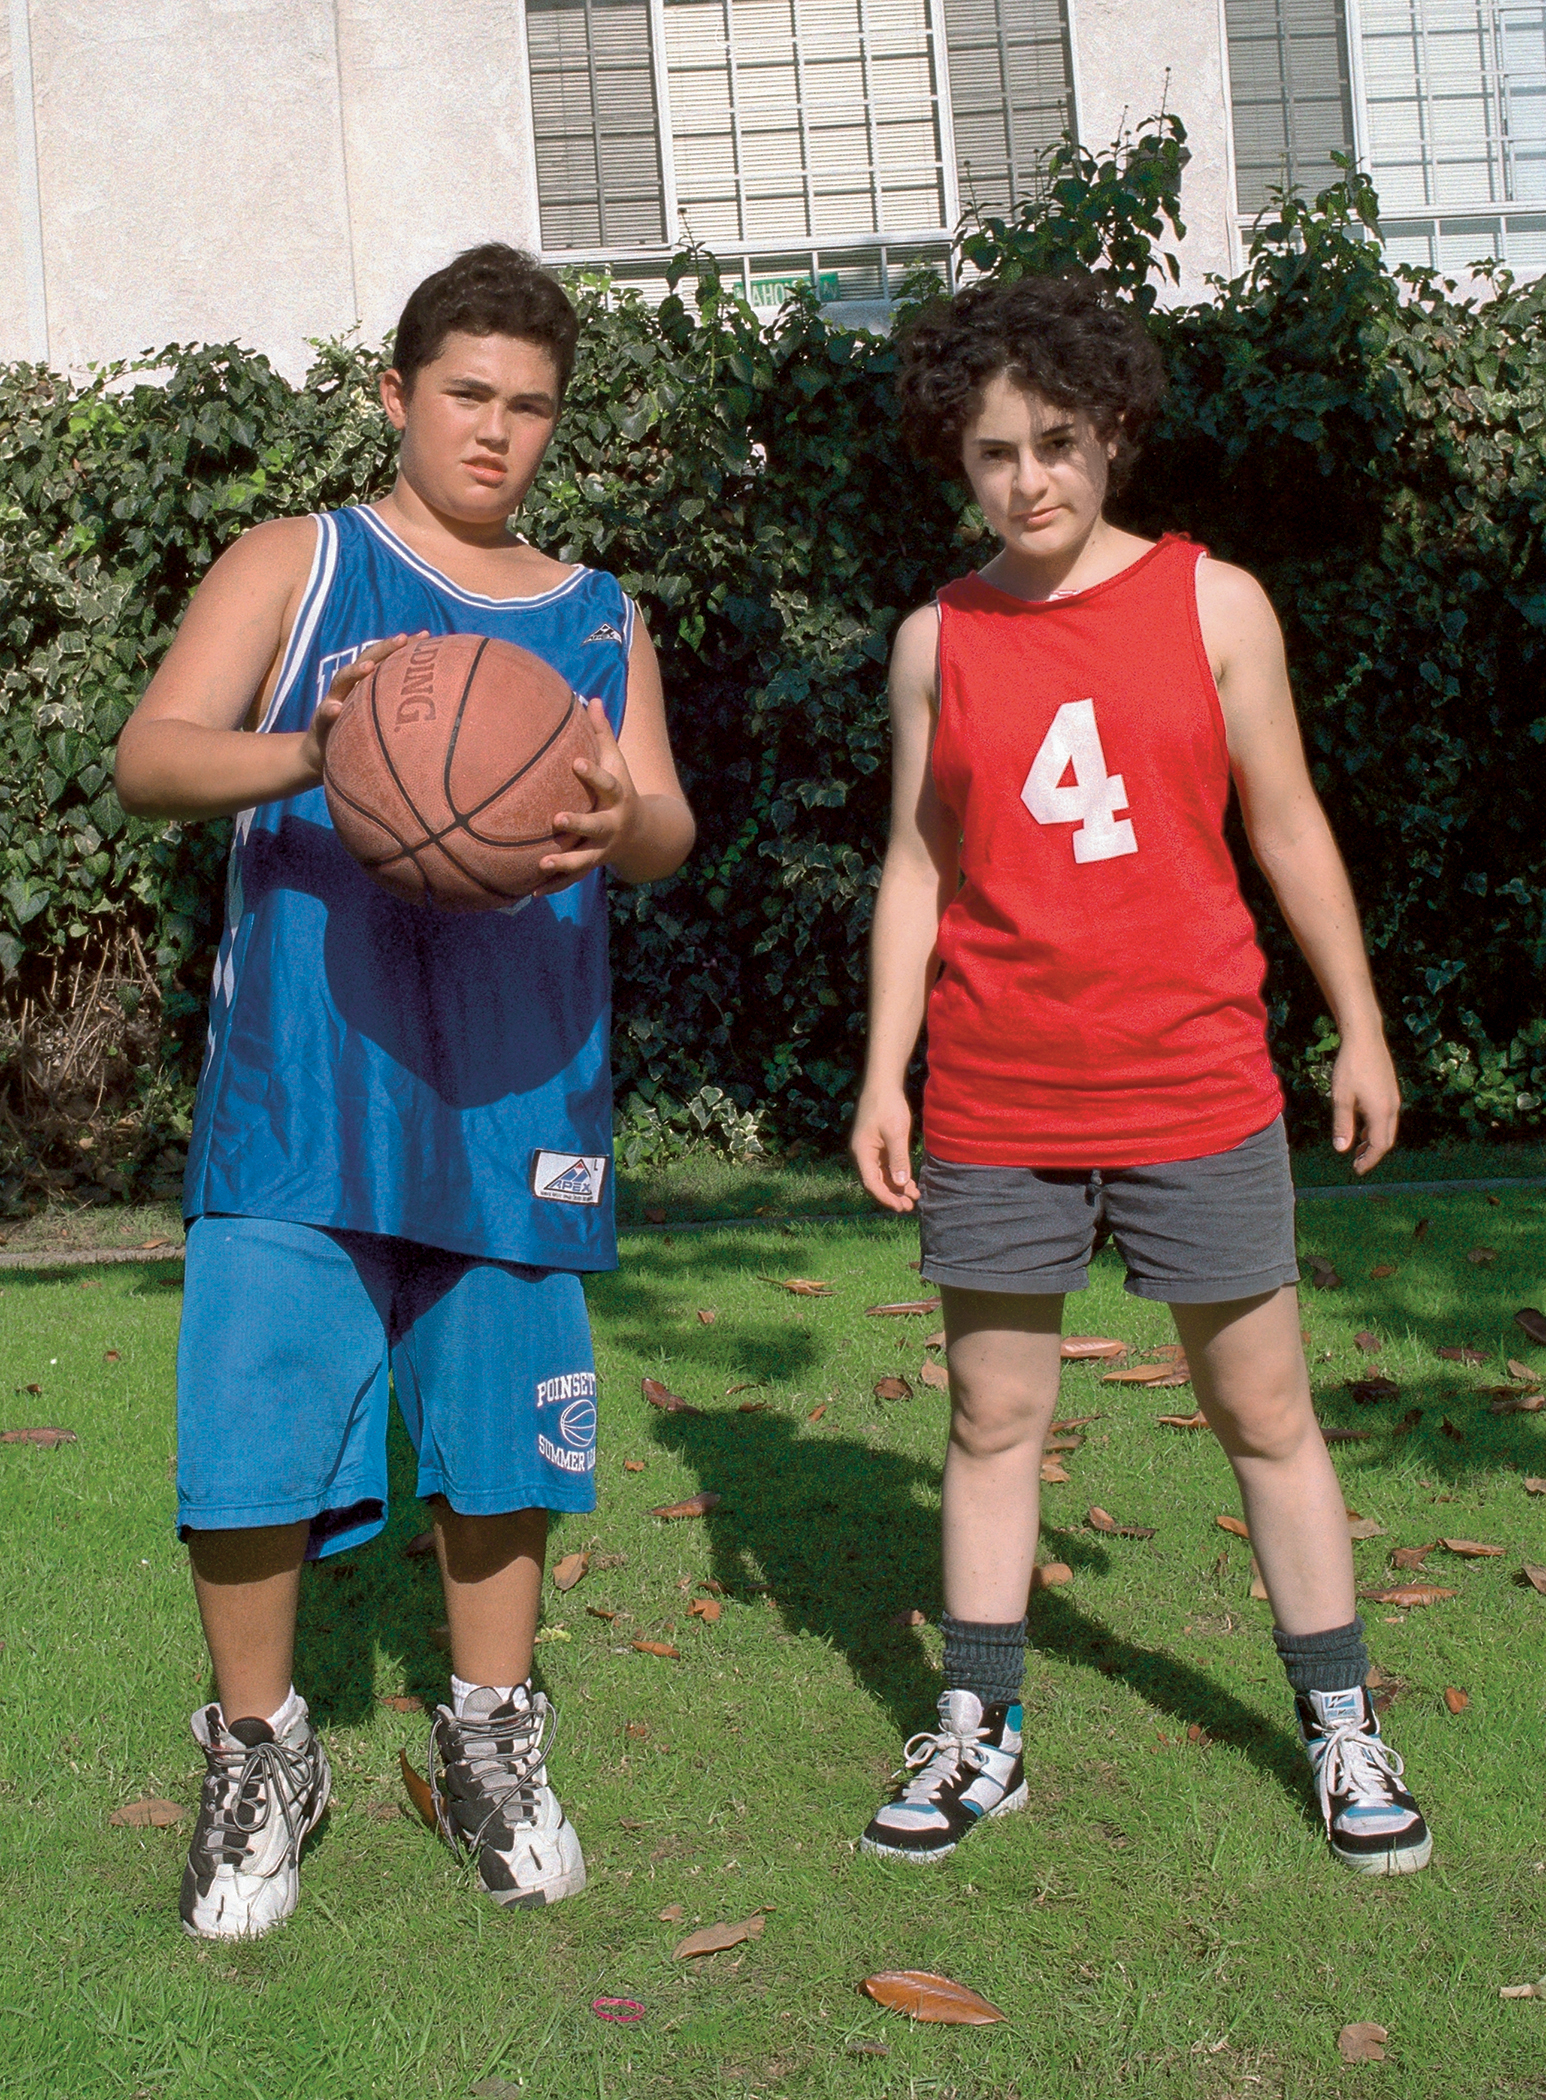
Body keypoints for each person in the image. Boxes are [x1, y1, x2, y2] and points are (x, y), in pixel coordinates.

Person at [115, 243, 695, 1938]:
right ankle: (256, 1749)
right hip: (309, 1085)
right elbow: (157, 756)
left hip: (519, 1090)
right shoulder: (303, 563)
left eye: (528, 408)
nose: (496, 434)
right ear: (395, 394)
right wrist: (320, 750)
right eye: (466, 395)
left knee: (504, 1439)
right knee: (248, 1439)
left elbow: (659, 825)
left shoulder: (597, 614)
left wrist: (609, 816)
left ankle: (492, 1738)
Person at [849, 272, 1429, 1878]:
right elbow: (914, 866)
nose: (1027, 481)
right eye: (990, 454)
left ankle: (1337, 1721)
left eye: (1054, 442)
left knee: (1262, 1408)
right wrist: (883, 1072)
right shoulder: (935, 639)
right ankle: (980, 1729)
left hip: (1193, 1080)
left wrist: (1359, 1023)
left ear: (1112, 432)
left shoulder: (1213, 603)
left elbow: (1286, 824)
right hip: (995, 1092)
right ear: (953, 462)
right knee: (989, 1413)